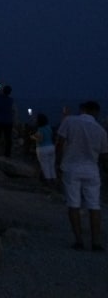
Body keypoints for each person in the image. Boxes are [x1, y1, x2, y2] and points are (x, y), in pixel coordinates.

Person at [56, 100, 108, 251]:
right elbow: (105, 156)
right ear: (96, 112)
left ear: (82, 109)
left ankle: (79, 241)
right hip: (92, 169)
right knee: (94, 205)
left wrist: (58, 163)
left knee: (73, 204)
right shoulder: (101, 131)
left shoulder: (69, 121)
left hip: (71, 167)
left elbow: (60, 142)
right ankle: (96, 242)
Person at [31, 113, 57, 187]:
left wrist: (33, 137)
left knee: (45, 166)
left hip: (42, 148)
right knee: (51, 165)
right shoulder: (48, 127)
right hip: (51, 147)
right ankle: (54, 181)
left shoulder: (40, 129)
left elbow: (40, 139)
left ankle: (48, 183)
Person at [0, 84, 15, 157]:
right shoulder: (10, 100)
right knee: (8, 138)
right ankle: (7, 153)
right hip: (8, 121)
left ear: (3, 91)